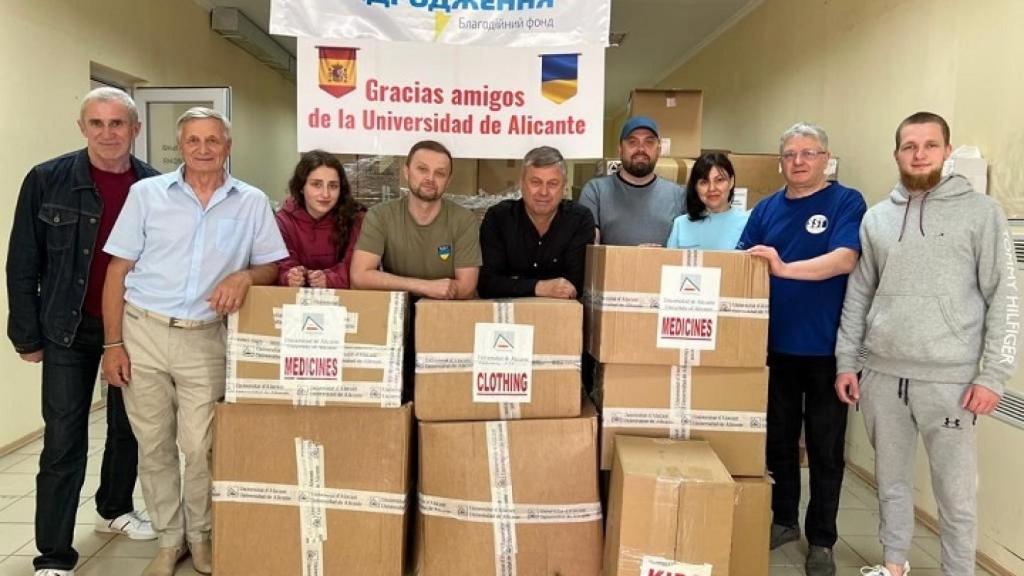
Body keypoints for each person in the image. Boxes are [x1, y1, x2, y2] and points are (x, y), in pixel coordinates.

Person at [100, 107, 287, 576]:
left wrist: (245, 276)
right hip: (143, 331)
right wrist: (112, 344)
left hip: (205, 339)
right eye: (193, 141)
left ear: (228, 146)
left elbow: (271, 265)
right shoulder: (146, 195)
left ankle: (200, 536)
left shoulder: (251, 201)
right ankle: (169, 540)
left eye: (213, 140)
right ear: (180, 146)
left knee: (200, 446)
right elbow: (117, 271)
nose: (203, 149)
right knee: (153, 445)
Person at [834, 112, 1016, 576]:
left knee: (955, 495)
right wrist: (847, 362)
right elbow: (859, 295)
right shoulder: (877, 218)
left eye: (930, 145)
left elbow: (1004, 297)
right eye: (909, 146)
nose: (919, 155)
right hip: (882, 376)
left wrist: (993, 375)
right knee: (890, 483)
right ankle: (894, 564)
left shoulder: (982, 213)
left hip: (951, 381)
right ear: (896, 153)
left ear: (947, 151)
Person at [5, 87, 158, 576]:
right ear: (82, 128)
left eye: (118, 123)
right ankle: (53, 554)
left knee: (127, 429)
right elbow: (22, 260)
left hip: (133, 328)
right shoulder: (47, 180)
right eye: (97, 123)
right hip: (65, 329)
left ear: (135, 129)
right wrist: (26, 334)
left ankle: (114, 509)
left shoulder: (154, 186)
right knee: (63, 440)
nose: (107, 133)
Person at [737, 122, 867, 576]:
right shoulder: (766, 209)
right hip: (775, 348)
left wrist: (784, 267)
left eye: (809, 153)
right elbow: (742, 262)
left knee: (826, 449)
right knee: (779, 442)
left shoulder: (846, 202)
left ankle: (823, 540)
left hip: (828, 351)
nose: (799, 161)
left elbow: (845, 259)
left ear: (825, 159)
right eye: (790, 154)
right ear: (780, 162)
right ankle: (784, 520)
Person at [350, 139, 480, 299]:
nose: (430, 178)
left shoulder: (464, 220)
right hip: (397, 307)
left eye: (440, 173)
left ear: (448, 181)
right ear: (406, 172)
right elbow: (359, 277)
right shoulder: (380, 215)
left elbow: (467, 288)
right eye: (422, 169)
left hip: (445, 310)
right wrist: (424, 287)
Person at [478, 145, 595, 299]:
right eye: (535, 182)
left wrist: (513, 284)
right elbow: (487, 284)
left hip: (563, 313)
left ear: (565, 187)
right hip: (508, 313)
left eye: (552, 184)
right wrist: (539, 287)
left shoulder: (580, 220)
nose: (543, 192)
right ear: (521, 184)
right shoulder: (498, 218)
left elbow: (577, 285)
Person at [579, 116, 684, 246]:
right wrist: (634, 256)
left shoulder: (678, 195)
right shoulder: (596, 192)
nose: (641, 149)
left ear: (658, 150)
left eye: (649, 142)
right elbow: (591, 250)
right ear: (620, 149)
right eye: (632, 142)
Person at [276, 150, 365, 288]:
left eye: (333, 186)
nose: (325, 194)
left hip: (345, 298)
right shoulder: (283, 220)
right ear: (301, 187)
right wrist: (290, 276)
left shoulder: (357, 219)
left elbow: (358, 268)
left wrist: (330, 279)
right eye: (316, 185)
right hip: (294, 299)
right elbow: (277, 266)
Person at [666, 152, 748, 249]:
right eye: (704, 182)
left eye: (719, 180)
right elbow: (670, 258)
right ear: (696, 187)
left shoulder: (748, 223)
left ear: (731, 182)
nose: (712, 188)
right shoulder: (681, 225)